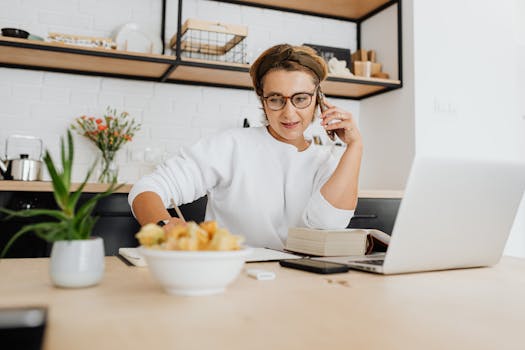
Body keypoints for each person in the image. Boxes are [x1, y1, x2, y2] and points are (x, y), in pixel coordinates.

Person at [128, 43, 363, 249]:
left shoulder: (326, 161)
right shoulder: (230, 145)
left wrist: (355, 146)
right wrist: (164, 224)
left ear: (318, 100)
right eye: (276, 99)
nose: (289, 113)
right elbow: (148, 188)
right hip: (234, 277)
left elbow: (328, 224)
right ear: (262, 99)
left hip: (302, 283)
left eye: (300, 98)